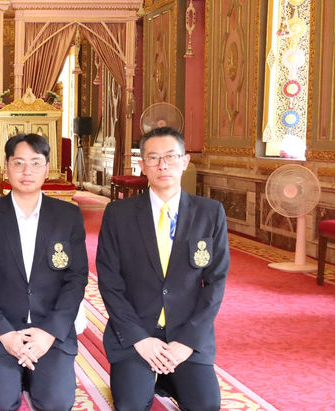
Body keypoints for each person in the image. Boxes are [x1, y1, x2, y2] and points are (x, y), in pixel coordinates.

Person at [97, 127, 229, 411]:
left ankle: (170, 379)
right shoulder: (118, 214)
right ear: (142, 165)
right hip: (136, 332)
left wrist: (187, 341)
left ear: (185, 161)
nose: (163, 165)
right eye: (154, 158)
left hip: (186, 332)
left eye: (170, 156)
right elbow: (109, 282)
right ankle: (149, 377)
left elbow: (215, 282)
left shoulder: (210, 213)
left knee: (206, 406)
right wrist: (139, 339)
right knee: (131, 405)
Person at [0, 134, 88, 411]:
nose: (27, 171)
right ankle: (15, 374)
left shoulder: (67, 215)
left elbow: (76, 278)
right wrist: (5, 334)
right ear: (6, 167)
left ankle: (34, 375)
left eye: (35, 163)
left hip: (49, 330)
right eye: (18, 163)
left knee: (55, 404)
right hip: (1, 330)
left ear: (47, 169)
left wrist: (49, 333)